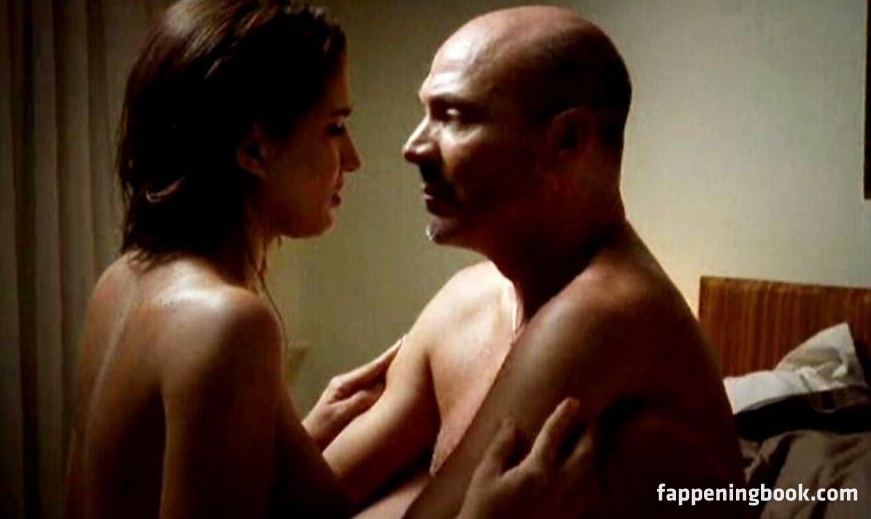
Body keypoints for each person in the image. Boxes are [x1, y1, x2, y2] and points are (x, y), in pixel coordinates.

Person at [64, 1, 596, 517]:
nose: (353, 158)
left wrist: (287, 437)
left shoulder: (123, 280)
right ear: (255, 151)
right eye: (335, 126)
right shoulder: (228, 325)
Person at [317, 6, 746, 518]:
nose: (413, 147)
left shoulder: (606, 315)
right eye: (426, 112)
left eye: (454, 117)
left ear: (568, 140)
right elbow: (302, 505)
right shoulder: (462, 302)